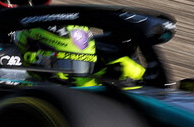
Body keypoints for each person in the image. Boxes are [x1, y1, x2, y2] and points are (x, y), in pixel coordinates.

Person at [13, 25, 145, 87]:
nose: (75, 75)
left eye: (84, 66)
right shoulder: (12, 79)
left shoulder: (92, 80)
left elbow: (138, 74)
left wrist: (126, 79)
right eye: (66, 64)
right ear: (33, 58)